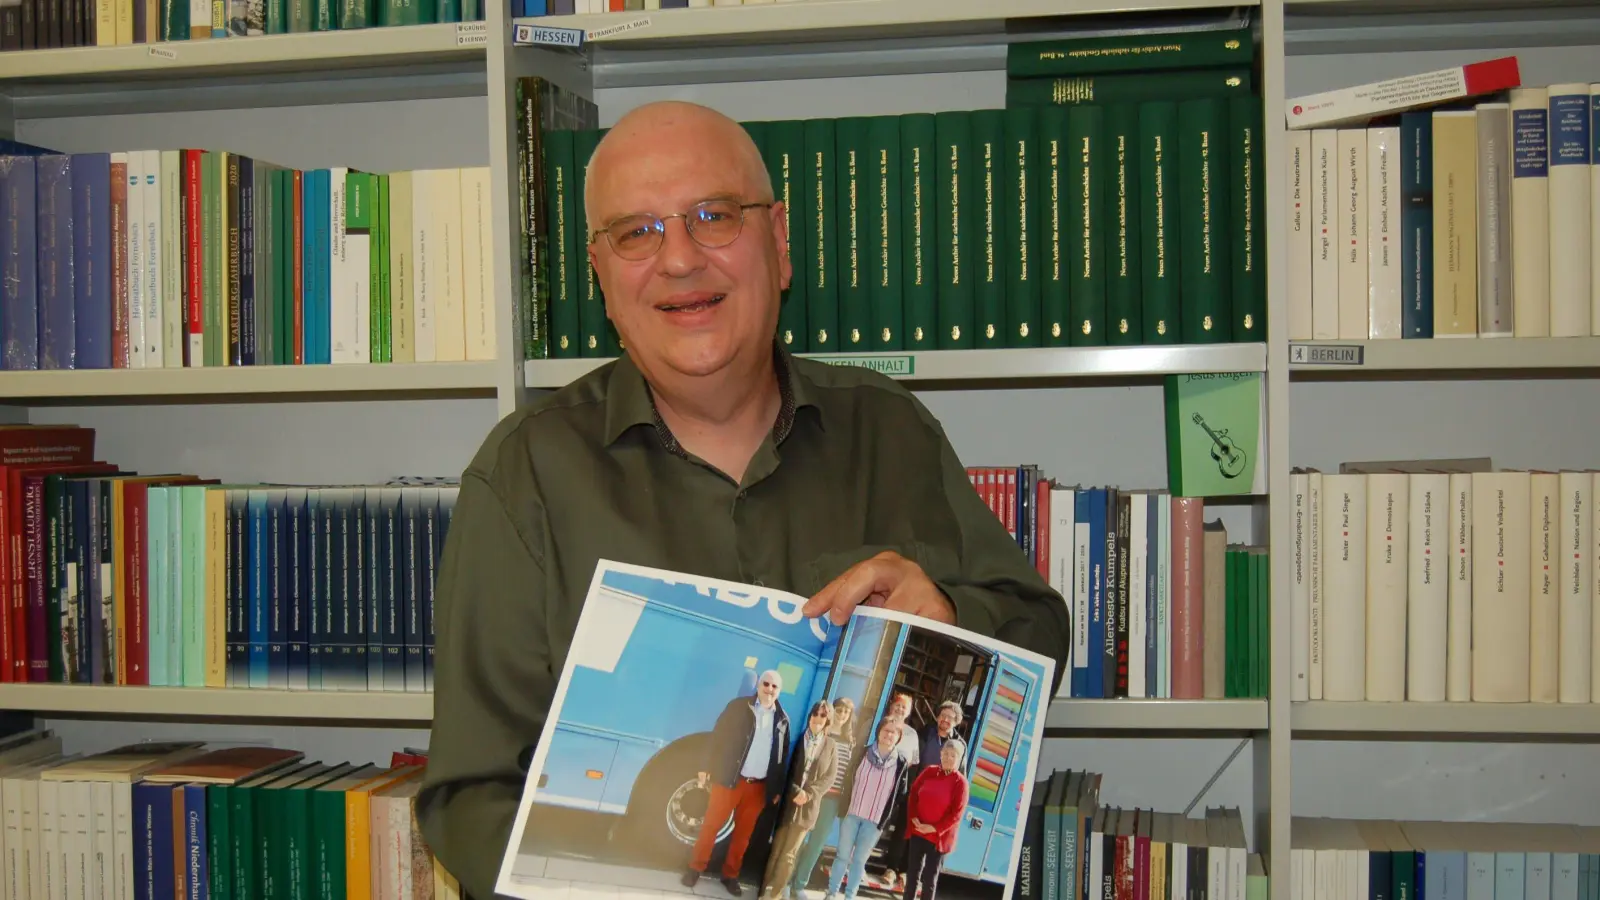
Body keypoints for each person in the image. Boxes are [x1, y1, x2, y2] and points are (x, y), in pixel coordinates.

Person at [414, 99, 1070, 900]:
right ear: (603, 280)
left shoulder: (891, 430)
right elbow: (469, 797)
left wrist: (947, 619)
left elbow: (1037, 628)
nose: (680, 259)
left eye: (712, 216)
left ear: (780, 243)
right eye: (636, 232)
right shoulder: (524, 476)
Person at [688, 669, 793, 895]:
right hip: (730, 779)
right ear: (758, 686)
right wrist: (705, 766)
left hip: (758, 787)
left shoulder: (783, 719)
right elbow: (717, 736)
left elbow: (782, 757)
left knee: (743, 836)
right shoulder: (738, 707)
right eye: (766, 684)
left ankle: (730, 875)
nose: (770, 689)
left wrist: (775, 789)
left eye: (775, 687)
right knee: (711, 826)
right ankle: (695, 868)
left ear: (779, 691)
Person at [822, 717, 914, 900]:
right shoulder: (862, 753)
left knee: (859, 861)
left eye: (893, 732)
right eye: (886, 730)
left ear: (898, 737)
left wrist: (884, 819)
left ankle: (850, 896)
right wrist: (844, 807)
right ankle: (832, 894)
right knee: (842, 856)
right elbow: (849, 780)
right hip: (852, 815)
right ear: (878, 732)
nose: (889, 735)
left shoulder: (901, 763)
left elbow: (900, 794)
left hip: (874, 821)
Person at [760, 700, 840, 900]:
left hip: (808, 808)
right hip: (789, 803)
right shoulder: (797, 740)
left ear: (828, 720)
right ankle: (762, 893)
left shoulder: (831, 746)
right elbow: (785, 769)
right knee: (776, 850)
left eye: (823, 715)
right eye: (815, 714)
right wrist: (795, 791)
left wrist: (809, 793)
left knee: (789, 855)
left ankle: (775, 896)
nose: (818, 719)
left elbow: (829, 777)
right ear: (810, 716)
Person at [788, 697, 855, 898]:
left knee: (816, 844)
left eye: (846, 712)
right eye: (839, 710)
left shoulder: (851, 741)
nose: (842, 715)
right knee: (798, 839)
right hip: (812, 796)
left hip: (832, 799)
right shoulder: (822, 734)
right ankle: (786, 879)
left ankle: (799, 884)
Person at [901, 739, 970, 900]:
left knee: (929, 880)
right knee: (912, 876)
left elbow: (956, 814)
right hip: (918, 831)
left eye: (953, 755)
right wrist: (914, 819)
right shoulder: (929, 771)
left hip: (939, 838)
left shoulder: (961, 783)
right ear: (940, 754)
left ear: (959, 760)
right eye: (945, 754)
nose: (948, 758)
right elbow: (913, 795)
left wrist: (934, 828)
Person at [918, 702, 964, 768]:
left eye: (950, 717)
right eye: (943, 715)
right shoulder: (925, 733)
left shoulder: (960, 744)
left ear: (956, 722)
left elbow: (960, 772)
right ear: (938, 717)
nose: (945, 719)